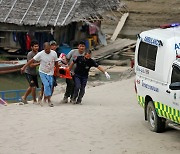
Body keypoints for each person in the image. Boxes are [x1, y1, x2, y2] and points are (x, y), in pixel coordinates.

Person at [21, 42, 59, 107]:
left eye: (49, 49)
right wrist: (24, 67)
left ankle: (45, 98)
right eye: (46, 49)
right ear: (44, 49)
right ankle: (47, 101)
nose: (48, 51)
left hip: (50, 72)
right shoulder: (40, 54)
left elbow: (56, 63)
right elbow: (31, 61)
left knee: (50, 85)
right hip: (42, 72)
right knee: (45, 85)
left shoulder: (54, 53)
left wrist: (57, 71)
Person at [21, 40, 40, 104]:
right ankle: (34, 100)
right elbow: (31, 65)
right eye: (35, 46)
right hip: (28, 72)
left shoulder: (38, 53)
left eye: (37, 46)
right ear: (31, 47)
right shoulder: (30, 54)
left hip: (34, 73)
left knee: (31, 86)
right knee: (33, 86)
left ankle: (24, 97)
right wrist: (39, 63)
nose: (36, 47)